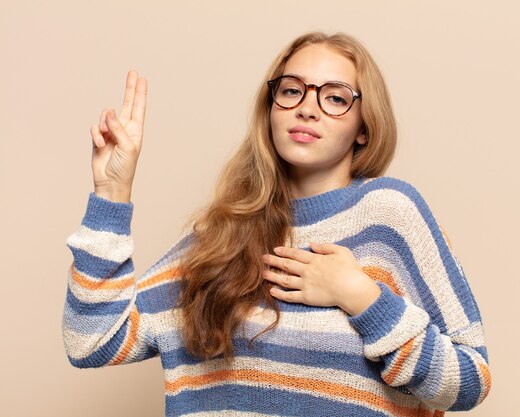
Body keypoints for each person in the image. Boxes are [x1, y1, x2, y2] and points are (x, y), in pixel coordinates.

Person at [63, 31, 491, 416]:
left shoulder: (389, 214)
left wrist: (360, 296)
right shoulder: (221, 238)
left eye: (336, 97)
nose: (307, 109)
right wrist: (112, 192)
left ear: (365, 126)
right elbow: (92, 341)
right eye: (291, 91)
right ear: (270, 110)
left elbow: (469, 382)